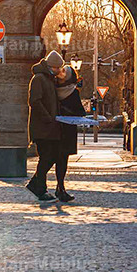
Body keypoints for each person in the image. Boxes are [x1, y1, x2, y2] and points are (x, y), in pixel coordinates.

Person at [25, 50, 66, 204]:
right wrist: (48, 118)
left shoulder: (48, 79)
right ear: (51, 66)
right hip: (43, 127)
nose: (58, 71)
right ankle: (40, 188)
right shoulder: (39, 79)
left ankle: (36, 184)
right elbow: (34, 101)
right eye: (57, 68)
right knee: (47, 157)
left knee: (51, 157)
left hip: (49, 127)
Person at [52, 63, 83, 202]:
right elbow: (80, 112)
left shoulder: (53, 89)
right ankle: (60, 188)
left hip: (56, 128)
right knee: (62, 160)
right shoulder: (73, 91)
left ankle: (60, 187)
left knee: (58, 159)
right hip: (68, 130)